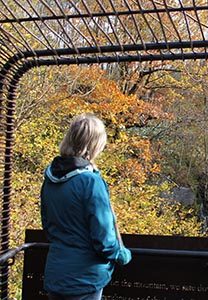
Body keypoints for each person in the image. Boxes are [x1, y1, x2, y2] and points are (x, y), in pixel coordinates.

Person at [40, 113, 132, 300]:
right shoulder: (90, 182)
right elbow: (104, 239)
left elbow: (48, 227)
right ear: (94, 145)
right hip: (85, 279)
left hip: (56, 274)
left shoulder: (50, 179)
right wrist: (121, 254)